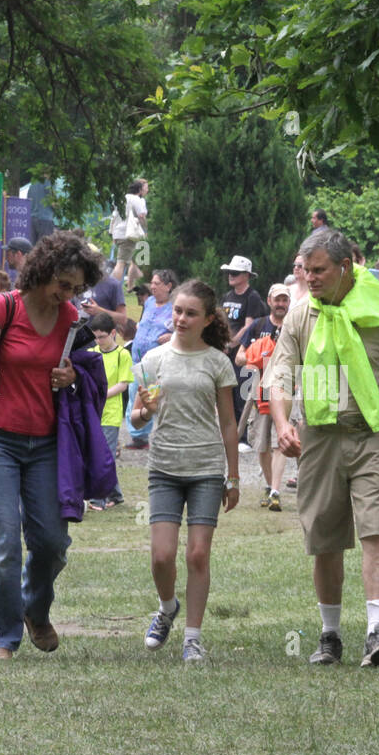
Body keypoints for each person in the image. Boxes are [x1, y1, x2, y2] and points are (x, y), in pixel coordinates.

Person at [267, 227, 379, 667]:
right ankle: (329, 636)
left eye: (319, 270)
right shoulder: (301, 316)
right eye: (305, 271)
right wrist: (284, 423)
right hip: (319, 438)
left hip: (374, 434)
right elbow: (281, 376)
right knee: (324, 538)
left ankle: (376, 632)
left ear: (345, 268)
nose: (310, 278)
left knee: (375, 531)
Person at [0, 230, 99, 659]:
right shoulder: (4, 306)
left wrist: (72, 377)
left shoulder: (70, 319)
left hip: (47, 443)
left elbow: (86, 372)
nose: (67, 294)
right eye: (62, 284)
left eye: (76, 287)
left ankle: (35, 607)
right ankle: (1, 634)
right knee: (3, 542)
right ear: (43, 271)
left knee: (51, 542)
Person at [130, 279, 240, 663]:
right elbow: (137, 420)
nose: (181, 318)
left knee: (197, 555)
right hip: (164, 467)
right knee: (161, 557)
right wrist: (146, 408)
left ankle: (192, 636)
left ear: (208, 319)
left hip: (207, 468)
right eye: (178, 310)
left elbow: (228, 424)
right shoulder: (152, 360)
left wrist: (234, 477)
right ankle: (167, 607)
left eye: (191, 313)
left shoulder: (217, 362)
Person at [236, 282, 291, 510]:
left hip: (286, 390)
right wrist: (258, 356)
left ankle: (275, 490)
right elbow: (239, 357)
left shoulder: (293, 325)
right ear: (269, 301)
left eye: (284, 299)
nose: (280, 304)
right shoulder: (258, 326)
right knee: (261, 445)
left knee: (281, 442)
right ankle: (269, 487)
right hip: (258, 392)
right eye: (277, 299)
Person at [125, 268, 178, 450]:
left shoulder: (174, 307)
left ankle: (149, 435)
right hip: (138, 359)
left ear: (168, 286)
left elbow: (184, 329)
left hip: (158, 364)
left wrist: (173, 336)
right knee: (135, 393)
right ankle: (137, 435)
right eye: (152, 283)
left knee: (153, 397)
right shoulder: (148, 303)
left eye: (156, 283)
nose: (152, 287)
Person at [87, 311, 133, 511]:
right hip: (93, 413)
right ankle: (116, 494)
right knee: (99, 454)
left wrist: (101, 394)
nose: (98, 341)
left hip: (111, 414)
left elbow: (123, 384)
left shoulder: (123, 354)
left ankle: (99, 498)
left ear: (113, 333)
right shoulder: (91, 354)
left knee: (103, 455)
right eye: (95, 337)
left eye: (102, 337)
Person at [221, 255, 267, 442]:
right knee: (227, 393)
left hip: (242, 352)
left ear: (247, 275)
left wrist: (231, 343)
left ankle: (244, 436)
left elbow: (248, 326)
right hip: (224, 350)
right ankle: (230, 432)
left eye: (235, 273)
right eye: (229, 272)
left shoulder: (252, 297)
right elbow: (223, 321)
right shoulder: (227, 296)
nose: (231, 276)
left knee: (242, 393)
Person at [111, 178, 149, 287]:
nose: (147, 190)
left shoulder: (122, 198)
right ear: (139, 189)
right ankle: (113, 288)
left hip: (118, 233)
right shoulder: (136, 199)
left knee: (129, 261)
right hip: (127, 234)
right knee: (121, 263)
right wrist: (145, 229)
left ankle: (130, 285)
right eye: (145, 188)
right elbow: (142, 216)